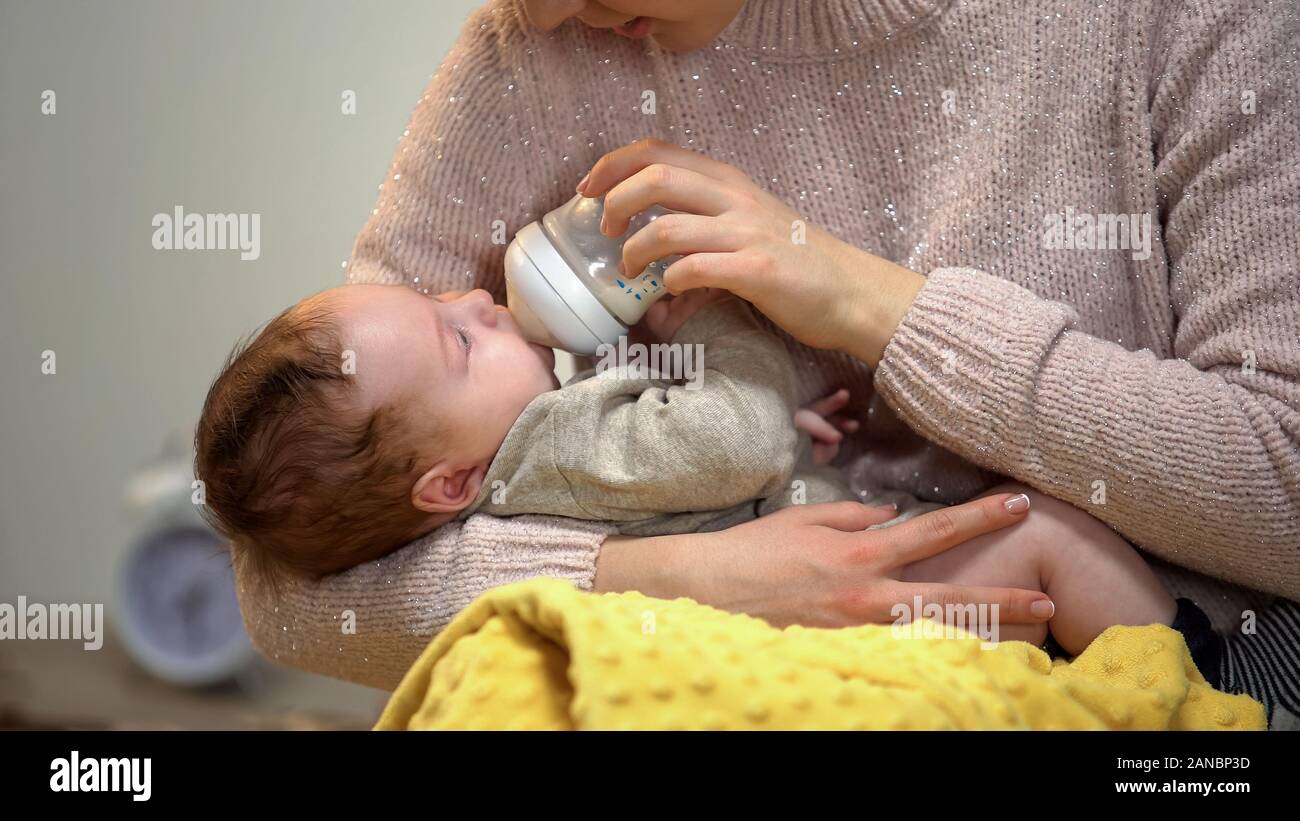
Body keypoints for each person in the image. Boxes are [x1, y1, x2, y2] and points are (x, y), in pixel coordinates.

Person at [231, 0, 1300, 726]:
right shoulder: (531, 48)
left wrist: (867, 305)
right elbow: (293, 583)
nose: (540, 12)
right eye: (455, 333)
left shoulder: (1171, 26)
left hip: (1175, 647)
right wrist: (687, 584)